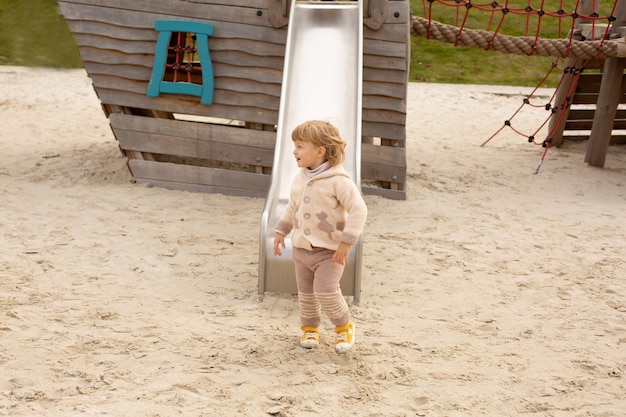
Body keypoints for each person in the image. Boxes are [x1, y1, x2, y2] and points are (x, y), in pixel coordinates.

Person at [273, 120, 367, 354]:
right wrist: (280, 231)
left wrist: (346, 242)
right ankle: (310, 328)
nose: (294, 151)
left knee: (325, 290)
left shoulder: (338, 181)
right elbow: (291, 207)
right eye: (294, 146)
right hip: (301, 249)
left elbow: (359, 210)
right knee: (305, 293)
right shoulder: (300, 178)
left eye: (300, 146)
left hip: (329, 252)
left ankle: (344, 326)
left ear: (320, 151)